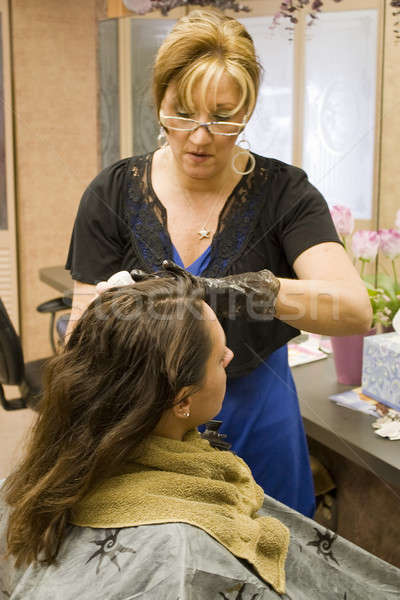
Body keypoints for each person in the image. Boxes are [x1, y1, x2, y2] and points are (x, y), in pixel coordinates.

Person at [65, 8, 372, 517]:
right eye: (182, 113)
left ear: (249, 109)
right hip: (144, 431)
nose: (201, 136)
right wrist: (103, 321)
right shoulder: (112, 194)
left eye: (224, 116)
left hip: (259, 420)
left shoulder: (285, 194)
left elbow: (354, 309)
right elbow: (78, 334)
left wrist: (246, 291)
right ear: (158, 100)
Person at [1, 271, 398, 600]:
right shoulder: (180, 554)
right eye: (220, 357)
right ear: (182, 400)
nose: (230, 359)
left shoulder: (33, 481)